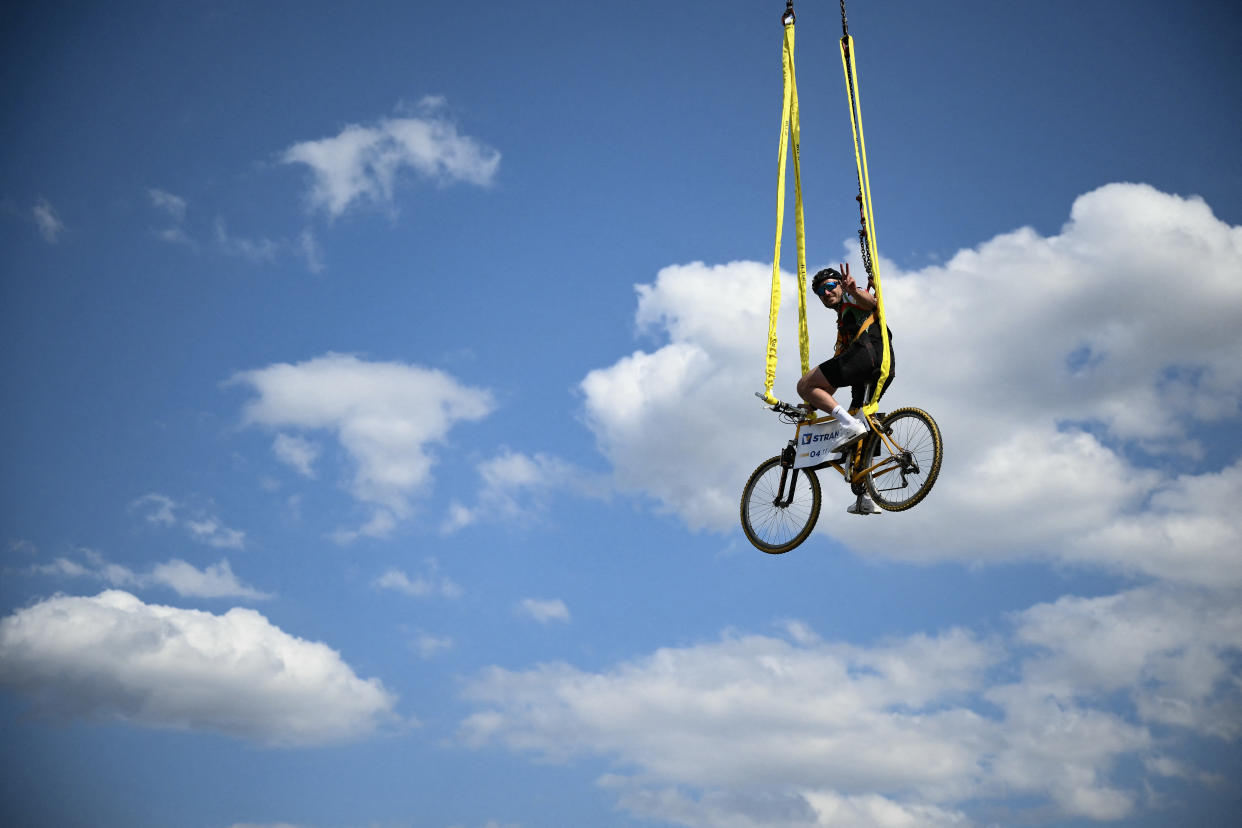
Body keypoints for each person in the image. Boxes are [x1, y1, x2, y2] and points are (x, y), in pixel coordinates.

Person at [795, 265, 895, 515]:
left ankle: (850, 423)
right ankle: (866, 495)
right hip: (881, 365)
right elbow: (835, 374)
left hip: (866, 355)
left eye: (830, 286)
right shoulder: (843, 321)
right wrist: (815, 401)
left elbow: (870, 302)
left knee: (804, 385)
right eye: (820, 291)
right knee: (862, 424)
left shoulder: (851, 297)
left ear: (840, 285)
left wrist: (853, 289)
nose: (826, 292)